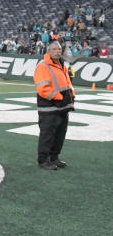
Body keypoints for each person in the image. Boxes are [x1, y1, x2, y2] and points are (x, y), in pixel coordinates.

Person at [34, 40, 75, 170]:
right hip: (49, 108)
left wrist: (72, 96)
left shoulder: (62, 64)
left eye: (58, 49)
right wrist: (59, 98)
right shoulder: (43, 65)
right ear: (48, 51)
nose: (57, 51)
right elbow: (42, 88)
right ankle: (43, 160)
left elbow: (67, 83)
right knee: (48, 135)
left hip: (62, 107)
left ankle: (54, 158)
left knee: (60, 135)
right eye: (54, 49)